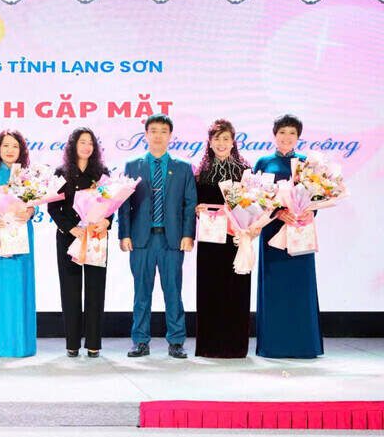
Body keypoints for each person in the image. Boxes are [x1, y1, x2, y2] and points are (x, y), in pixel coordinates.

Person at [118, 114, 197, 359]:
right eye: (153, 131)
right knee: (141, 292)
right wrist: (124, 234)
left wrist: (188, 234)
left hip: (171, 240)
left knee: (173, 291)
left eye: (163, 131)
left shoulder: (183, 167)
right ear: (146, 135)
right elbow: (123, 204)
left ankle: (176, 341)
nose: (158, 135)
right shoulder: (133, 165)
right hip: (142, 239)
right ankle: (140, 341)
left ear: (171, 136)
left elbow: (189, 203)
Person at [254, 114, 323, 359]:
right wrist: (277, 212)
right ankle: (273, 345)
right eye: (282, 132)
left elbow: (318, 197)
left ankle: (303, 345)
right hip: (272, 231)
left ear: (298, 136)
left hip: (299, 229)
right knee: (273, 285)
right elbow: (255, 199)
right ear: (274, 134)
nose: (287, 137)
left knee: (300, 286)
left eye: (292, 133)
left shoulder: (306, 163)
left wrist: (304, 212)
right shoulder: (263, 162)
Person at [47, 127, 111, 358]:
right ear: (73, 145)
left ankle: (93, 343)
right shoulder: (61, 172)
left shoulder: (102, 172)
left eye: (90, 143)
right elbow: (52, 206)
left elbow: (110, 203)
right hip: (69, 236)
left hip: (95, 236)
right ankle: (72, 343)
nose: (86, 146)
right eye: (82, 142)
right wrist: (70, 228)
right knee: (70, 289)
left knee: (95, 289)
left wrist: (107, 221)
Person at [193, 119, 252, 358]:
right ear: (209, 142)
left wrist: (248, 227)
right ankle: (209, 346)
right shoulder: (200, 172)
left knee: (236, 289)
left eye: (225, 138)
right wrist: (197, 210)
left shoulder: (244, 171)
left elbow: (251, 204)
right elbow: (192, 204)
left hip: (236, 239)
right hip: (210, 240)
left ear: (233, 141)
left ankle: (235, 346)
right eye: (216, 138)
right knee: (209, 289)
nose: (221, 143)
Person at [0, 130, 37, 357]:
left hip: (22, 235)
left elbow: (36, 202)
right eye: (5, 146)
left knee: (20, 287)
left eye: (15, 147)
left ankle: (21, 343)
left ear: (21, 151)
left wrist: (31, 210)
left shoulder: (28, 176)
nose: (10, 151)